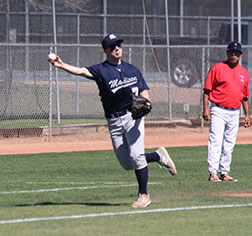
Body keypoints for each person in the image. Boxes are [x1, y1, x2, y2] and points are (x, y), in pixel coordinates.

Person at [49, 33, 177, 208]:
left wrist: (146, 101)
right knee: (127, 164)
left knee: (136, 155)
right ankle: (158, 156)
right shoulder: (101, 70)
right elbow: (81, 71)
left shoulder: (132, 69)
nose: (117, 48)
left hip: (133, 117)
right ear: (106, 50)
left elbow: (144, 90)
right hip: (114, 122)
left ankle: (144, 195)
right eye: (112, 46)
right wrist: (61, 64)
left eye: (119, 45)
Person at [202, 41, 251, 182]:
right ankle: (213, 173)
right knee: (216, 141)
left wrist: (247, 115)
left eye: (236, 53)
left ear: (241, 55)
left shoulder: (244, 73)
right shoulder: (217, 68)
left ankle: (224, 172)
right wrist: (205, 108)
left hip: (235, 111)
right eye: (231, 52)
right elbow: (207, 90)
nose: (233, 55)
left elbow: (245, 97)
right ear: (227, 53)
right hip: (218, 109)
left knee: (229, 143)